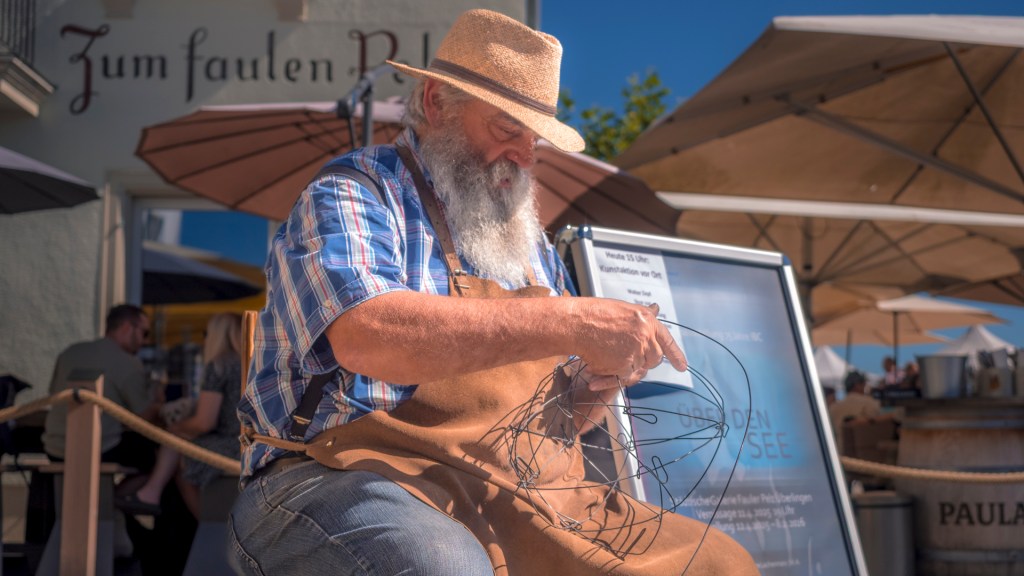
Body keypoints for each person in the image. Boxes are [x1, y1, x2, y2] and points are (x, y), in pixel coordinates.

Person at [231, 9, 758, 576]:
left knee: (718, 562)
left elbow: (554, 425)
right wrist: (575, 323)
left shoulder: (530, 247)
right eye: (508, 129)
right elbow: (368, 336)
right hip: (336, 475)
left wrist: (604, 378)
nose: (525, 155)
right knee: (444, 568)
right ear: (436, 103)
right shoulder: (356, 192)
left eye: (534, 138)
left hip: (505, 485)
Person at [117, 312, 243, 517]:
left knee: (176, 444)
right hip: (247, 445)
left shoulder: (219, 366)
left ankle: (205, 523)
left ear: (218, 335)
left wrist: (175, 429)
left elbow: (204, 422)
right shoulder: (249, 365)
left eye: (207, 333)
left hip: (228, 447)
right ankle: (151, 493)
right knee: (177, 444)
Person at [43, 304, 161, 468]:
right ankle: (122, 494)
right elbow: (143, 419)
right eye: (144, 333)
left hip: (54, 448)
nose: (145, 341)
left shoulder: (70, 352)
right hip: (99, 450)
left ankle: (110, 494)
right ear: (127, 327)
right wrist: (157, 404)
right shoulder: (128, 362)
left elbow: (53, 394)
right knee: (158, 459)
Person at [828, 370, 884, 454]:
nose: (865, 386)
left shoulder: (833, 407)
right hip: (864, 455)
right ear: (857, 385)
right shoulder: (869, 403)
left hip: (839, 453)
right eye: (863, 384)